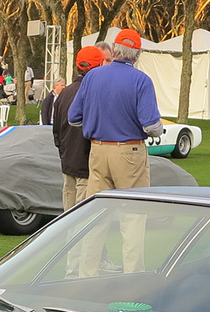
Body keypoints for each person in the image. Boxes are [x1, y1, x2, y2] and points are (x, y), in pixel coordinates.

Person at [68, 30, 162, 273]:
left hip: (98, 152)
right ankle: (132, 280)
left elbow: (73, 118)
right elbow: (151, 126)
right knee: (133, 218)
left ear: (115, 50)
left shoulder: (93, 77)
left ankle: (84, 276)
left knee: (96, 217)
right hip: (129, 152)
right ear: (137, 54)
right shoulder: (141, 81)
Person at [54, 45, 106, 215]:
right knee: (82, 219)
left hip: (68, 163)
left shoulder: (64, 93)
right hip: (86, 165)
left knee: (67, 218)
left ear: (77, 66)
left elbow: (56, 132)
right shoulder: (96, 93)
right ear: (99, 66)